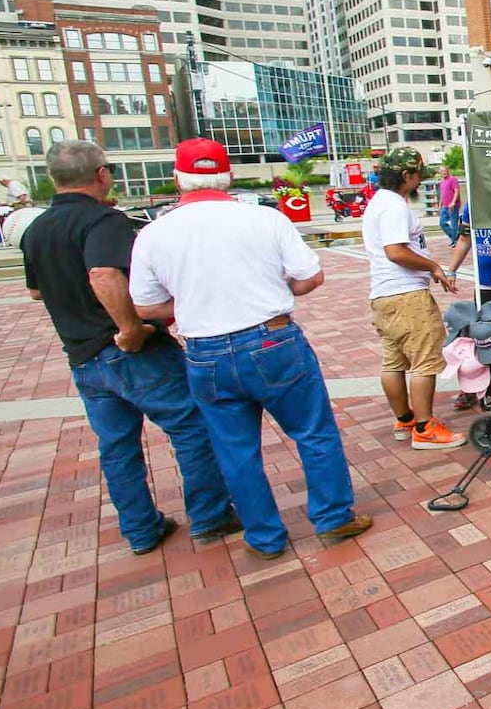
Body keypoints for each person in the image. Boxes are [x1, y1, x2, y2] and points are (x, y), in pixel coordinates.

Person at [129, 139, 371, 561]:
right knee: (313, 431)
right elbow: (310, 277)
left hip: (204, 351)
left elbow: (146, 306)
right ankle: (333, 518)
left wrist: (190, 303)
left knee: (235, 448)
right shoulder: (263, 219)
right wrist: (276, 287)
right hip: (272, 339)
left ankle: (264, 536)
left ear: (177, 179)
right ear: (229, 176)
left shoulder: (153, 234)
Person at [22, 140, 238, 555]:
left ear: (52, 178)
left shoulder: (36, 230)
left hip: (83, 356)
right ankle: (210, 516)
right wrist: (130, 328)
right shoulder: (105, 221)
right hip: (131, 350)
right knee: (192, 427)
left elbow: (35, 291)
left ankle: (141, 529)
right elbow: (103, 273)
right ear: (102, 174)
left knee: (117, 446)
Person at [362, 148, 467, 450]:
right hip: (406, 295)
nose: (420, 181)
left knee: (394, 361)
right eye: (418, 175)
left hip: (384, 295)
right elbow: (395, 251)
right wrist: (433, 266)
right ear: (406, 176)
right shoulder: (394, 206)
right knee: (424, 361)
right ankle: (424, 427)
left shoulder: (378, 202)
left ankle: (405, 419)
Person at [436, 164, 461, 245]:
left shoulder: (453, 179)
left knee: (454, 224)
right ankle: (454, 237)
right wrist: (440, 205)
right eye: (442, 171)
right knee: (442, 223)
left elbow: (456, 191)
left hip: (453, 205)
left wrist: (453, 202)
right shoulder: (442, 182)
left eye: (445, 170)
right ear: (440, 172)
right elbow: (442, 195)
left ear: (448, 171)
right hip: (445, 206)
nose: (444, 172)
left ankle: (455, 241)